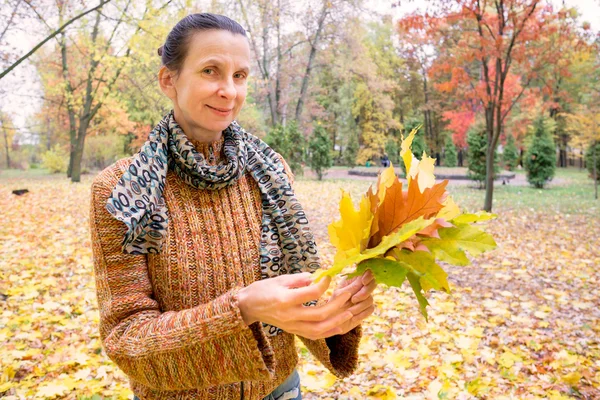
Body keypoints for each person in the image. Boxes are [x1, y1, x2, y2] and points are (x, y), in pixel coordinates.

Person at [88, 13, 377, 400]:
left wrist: (334, 311)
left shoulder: (271, 172)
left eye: (239, 76)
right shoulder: (122, 190)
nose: (229, 90)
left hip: (280, 389)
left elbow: (294, 289)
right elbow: (126, 338)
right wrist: (242, 309)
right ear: (168, 80)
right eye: (211, 71)